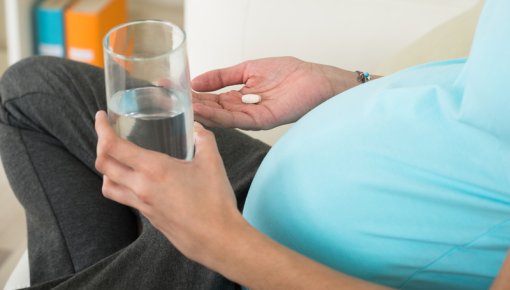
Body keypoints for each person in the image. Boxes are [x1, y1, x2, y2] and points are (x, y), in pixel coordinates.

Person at [1, 0, 509, 289]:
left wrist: (216, 238)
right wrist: (352, 84)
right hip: (254, 191)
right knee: (29, 91)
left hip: (266, 264)